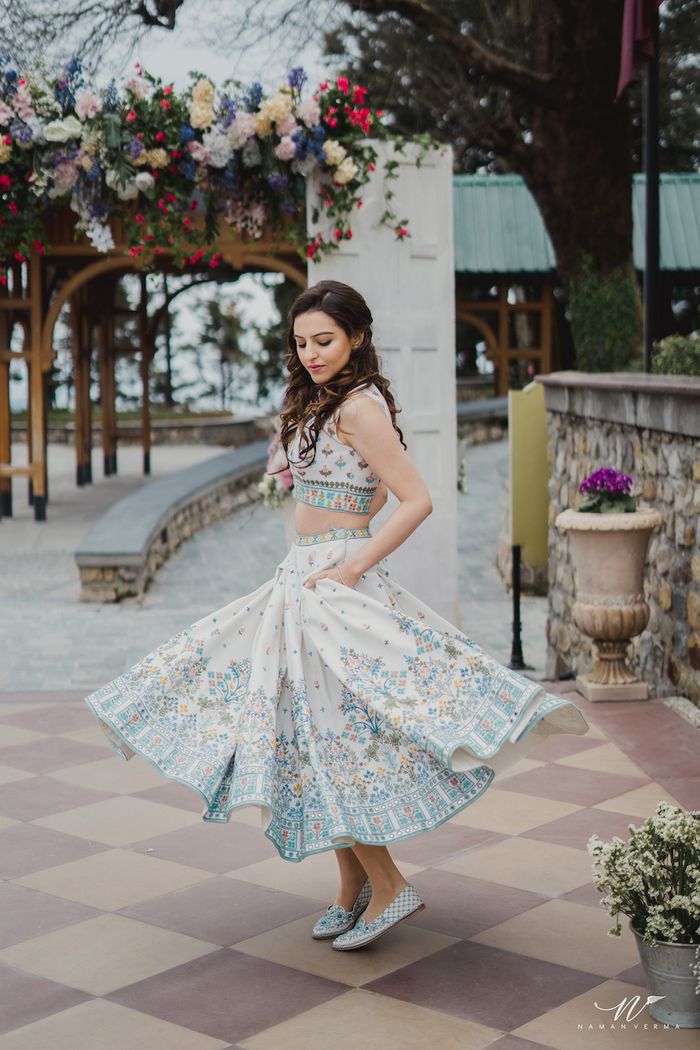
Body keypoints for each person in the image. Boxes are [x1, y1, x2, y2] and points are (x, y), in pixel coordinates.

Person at [84, 279, 589, 952]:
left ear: (356, 336)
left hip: (333, 584)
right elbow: (370, 484)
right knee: (306, 728)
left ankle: (388, 885)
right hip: (306, 574)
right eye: (300, 342)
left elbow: (415, 498)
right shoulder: (328, 401)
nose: (311, 353)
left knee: (330, 738)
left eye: (323, 340)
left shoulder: (359, 406)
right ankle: (351, 887)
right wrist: (340, 529)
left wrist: (351, 560)